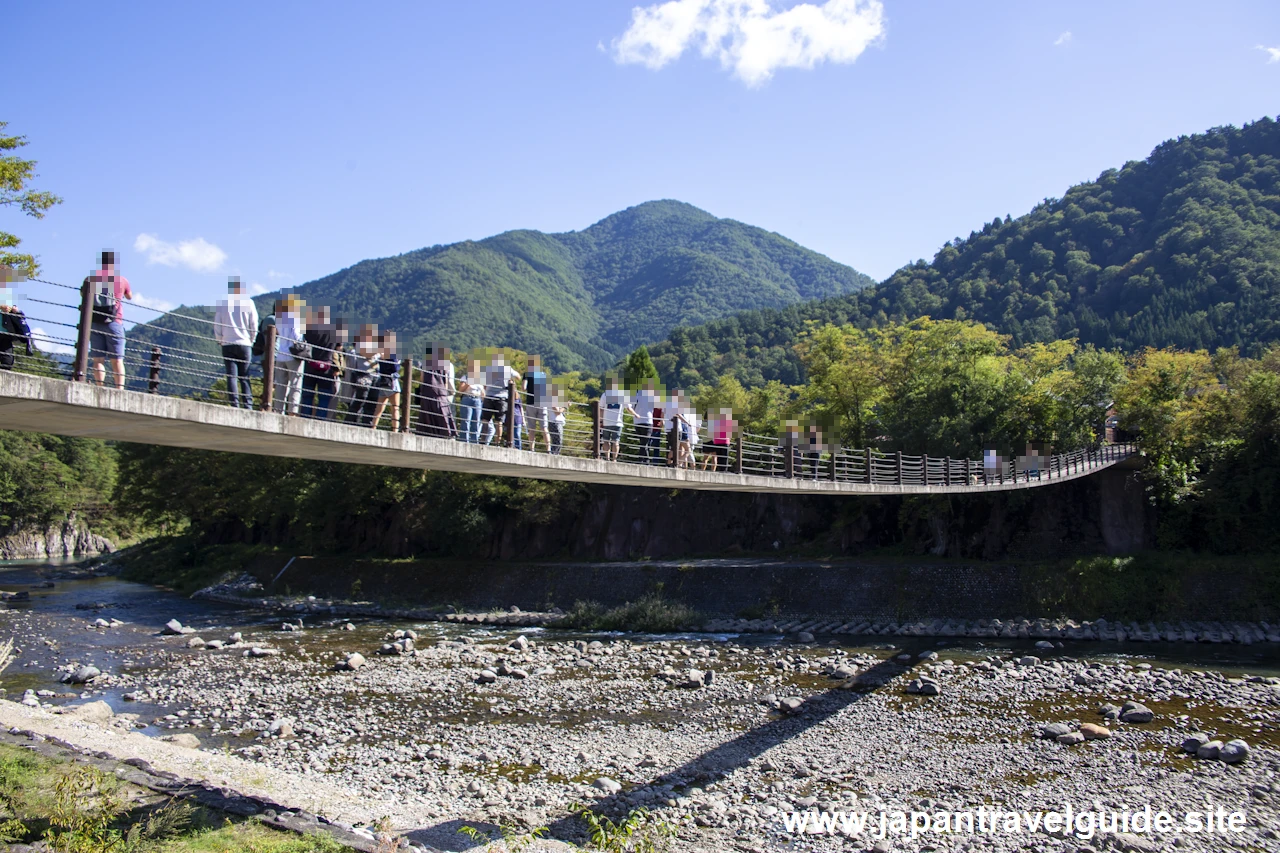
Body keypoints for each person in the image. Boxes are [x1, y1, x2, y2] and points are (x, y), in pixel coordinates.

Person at [83, 250, 133, 389]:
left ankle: (100, 386)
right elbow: (129, 296)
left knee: (98, 359)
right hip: (114, 322)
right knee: (117, 360)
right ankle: (119, 389)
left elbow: (83, 294)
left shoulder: (91, 279)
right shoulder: (121, 280)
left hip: (94, 322)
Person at [213, 277, 259, 409]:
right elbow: (253, 324)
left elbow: (217, 324)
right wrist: (251, 339)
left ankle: (234, 404)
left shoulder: (223, 304)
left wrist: (220, 340)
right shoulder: (249, 303)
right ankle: (248, 405)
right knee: (244, 376)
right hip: (244, 344)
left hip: (227, 343)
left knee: (231, 376)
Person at [300, 306, 339, 419]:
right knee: (324, 397)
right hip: (326, 367)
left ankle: (305, 417)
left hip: (310, 365)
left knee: (307, 395)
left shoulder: (309, 328)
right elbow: (338, 347)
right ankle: (320, 419)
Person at [272, 296, 306, 415]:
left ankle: (278, 410)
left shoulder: (279, 317)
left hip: (280, 354)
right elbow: (296, 335)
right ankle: (293, 411)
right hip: (293, 355)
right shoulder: (296, 317)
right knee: (295, 384)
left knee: (281, 384)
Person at [415, 345, 457, 439]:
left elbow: (422, 379)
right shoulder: (445, 364)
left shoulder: (425, 364)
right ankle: (445, 433)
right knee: (443, 413)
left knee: (427, 413)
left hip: (427, 392)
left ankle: (426, 433)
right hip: (440, 392)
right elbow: (446, 380)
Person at [480, 353, 519, 445]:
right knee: (499, 422)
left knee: (485, 420)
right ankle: (497, 443)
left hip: (489, 396)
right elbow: (518, 376)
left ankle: (482, 440)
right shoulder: (507, 368)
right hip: (501, 397)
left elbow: (484, 385)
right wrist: (510, 380)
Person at [368, 334, 402, 430]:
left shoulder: (380, 352)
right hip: (392, 382)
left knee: (379, 408)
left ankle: (373, 426)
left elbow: (374, 364)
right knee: (395, 407)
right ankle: (395, 429)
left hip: (382, 381)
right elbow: (395, 367)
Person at [523, 355, 552, 453]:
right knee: (544, 428)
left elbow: (523, 387)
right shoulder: (543, 374)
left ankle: (532, 449)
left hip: (531, 402)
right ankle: (548, 449)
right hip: (542, 402)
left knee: (532, 428)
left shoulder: (527, 374)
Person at [628, 380, 660, 464]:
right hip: (648, 421)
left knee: (643, 441)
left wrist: (635, 414)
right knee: (644, 442)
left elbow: (629, 407)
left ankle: (646, 460)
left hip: (637, 422)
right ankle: (642, 460)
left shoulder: (635, 394)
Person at [456, 356, 486, 443]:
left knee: (476, 421)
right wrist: (468, 383)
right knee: (466, 420)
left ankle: (474, 441)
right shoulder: (465, 377)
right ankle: (464, 440)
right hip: (467, 398)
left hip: (477, 400)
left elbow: (483, 392)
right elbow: (460, 390)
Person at [598, 377, 628, 462]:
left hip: (606, 422)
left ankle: (607, 458)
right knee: (616, 442)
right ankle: (614, 459)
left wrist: (601, 421)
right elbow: (628, 407)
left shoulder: (605, 394)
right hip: (617, 422)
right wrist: (636, 414)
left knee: (606, 441)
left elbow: (601, 408)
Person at [0, 300, 35, 371]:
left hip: (5, 336)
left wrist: (15, 311)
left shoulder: (6, 297)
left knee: (7, 362)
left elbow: (21, 319)